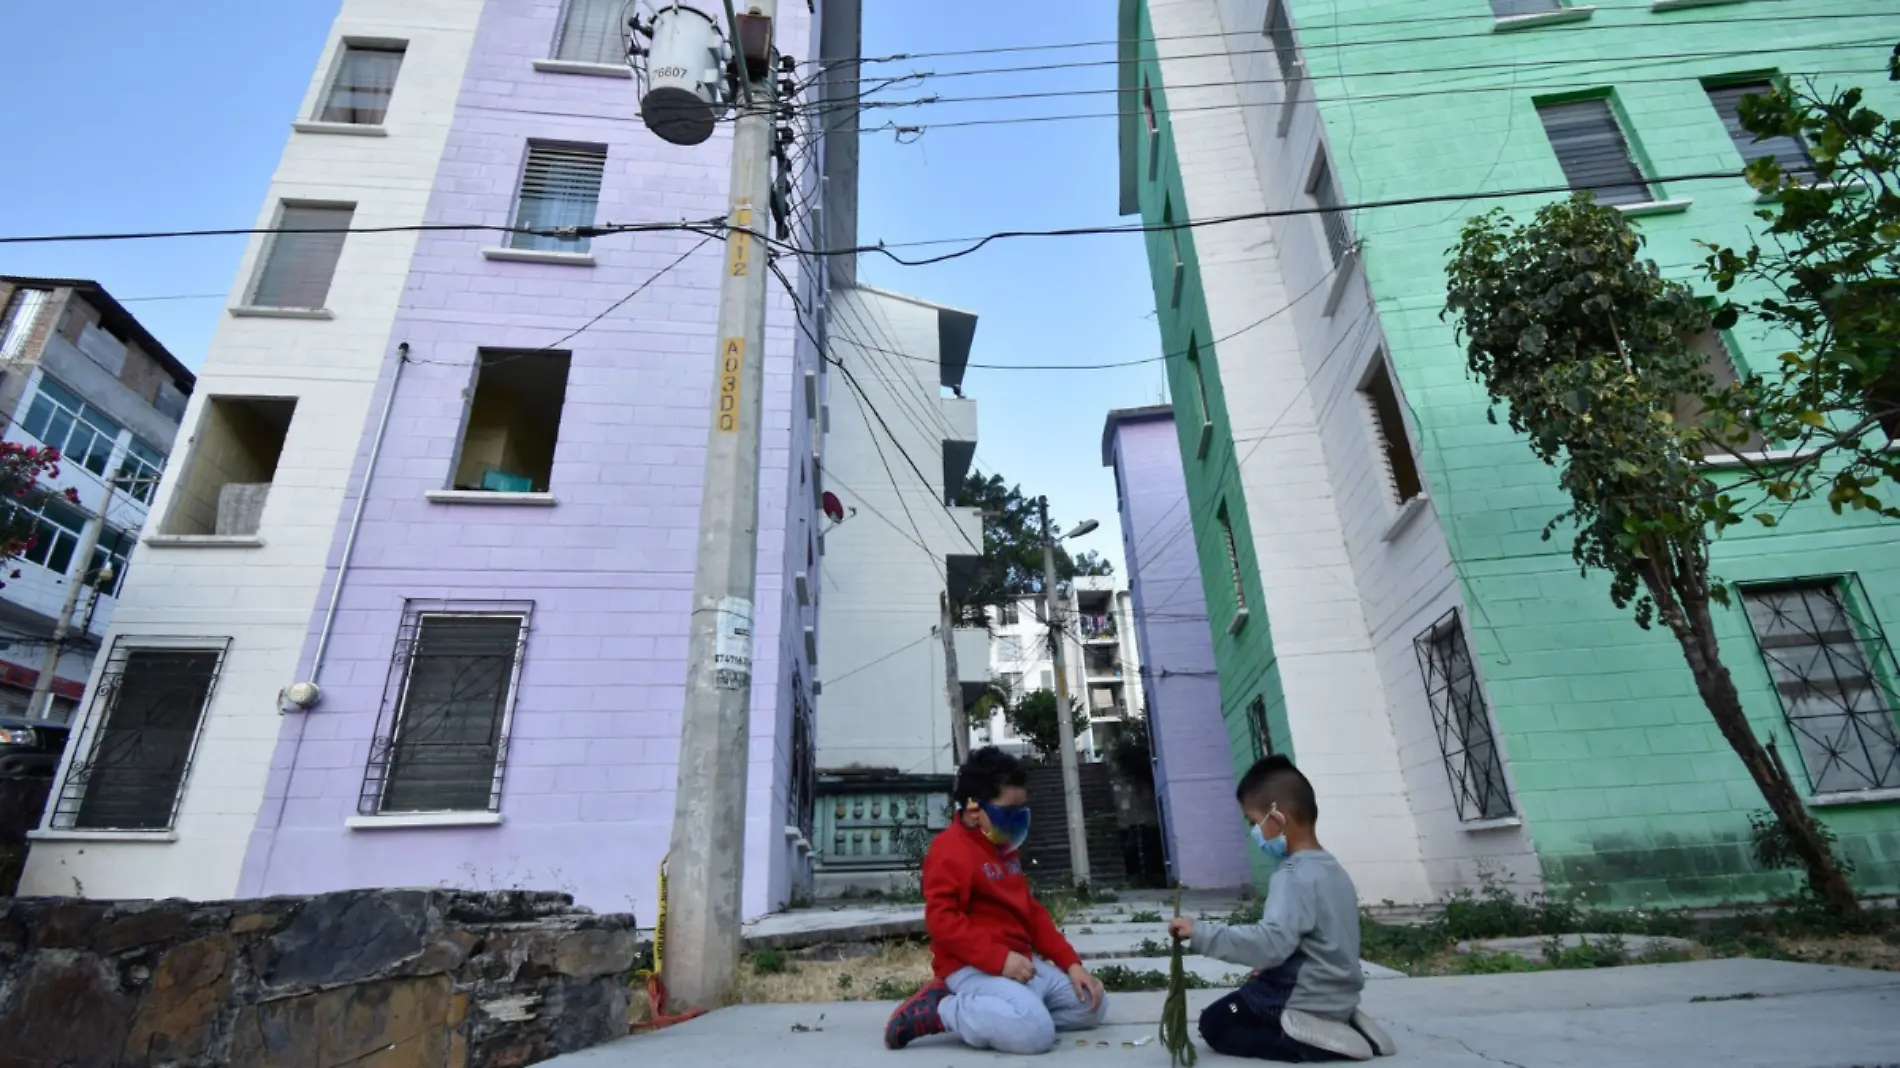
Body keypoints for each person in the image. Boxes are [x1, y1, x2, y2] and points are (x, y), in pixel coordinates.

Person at [1167, 755, 1398, 1062]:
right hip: (1337, 995)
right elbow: (1318, 940)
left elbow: (1268, 945)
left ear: (1276, 821)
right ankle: (1345, 1023)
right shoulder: (1334, 870)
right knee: (1247, 996)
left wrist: (1200, 933)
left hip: (1297, 997)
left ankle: (1307, 1041)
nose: (1253, 832)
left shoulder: (1292, 875)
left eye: (1253, 822)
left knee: (1217, 1020)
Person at [884, 746, 1109, 1053]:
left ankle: (1013, 1014)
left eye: (1020, 811)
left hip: (1021, 962)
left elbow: (1031, 913)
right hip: (972, 967)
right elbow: (942, 920)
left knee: (1093, 1003)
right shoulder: (949, 849)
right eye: (1008, 812)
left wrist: (1071, 964)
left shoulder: (1004, 849)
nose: (1015, 821)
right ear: (974, 809)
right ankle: (942, 1009)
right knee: (1036, 1035)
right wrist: (999, 960)